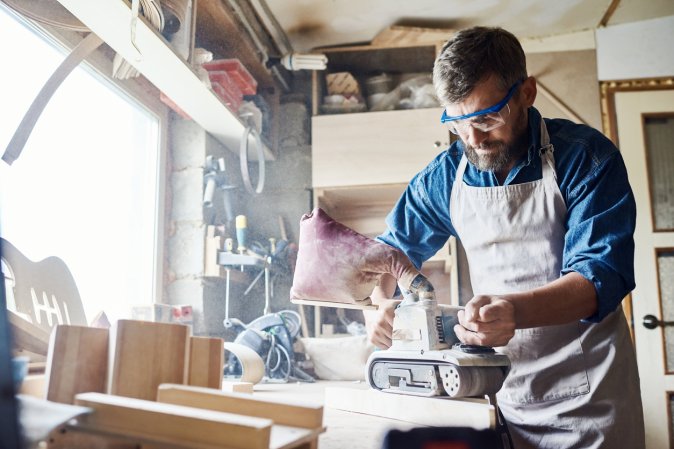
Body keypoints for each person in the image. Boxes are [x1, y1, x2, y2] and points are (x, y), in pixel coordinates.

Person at [366, 26, 644, 449]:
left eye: (486, 118)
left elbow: (599, 279)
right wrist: (380, 305)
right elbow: (388, 256)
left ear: (526, 93)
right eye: (457, 123)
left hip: (592, 397)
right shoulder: (444, 176)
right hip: (502, 389)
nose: (473, 140)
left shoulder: (587, 158)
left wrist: (511, 311)